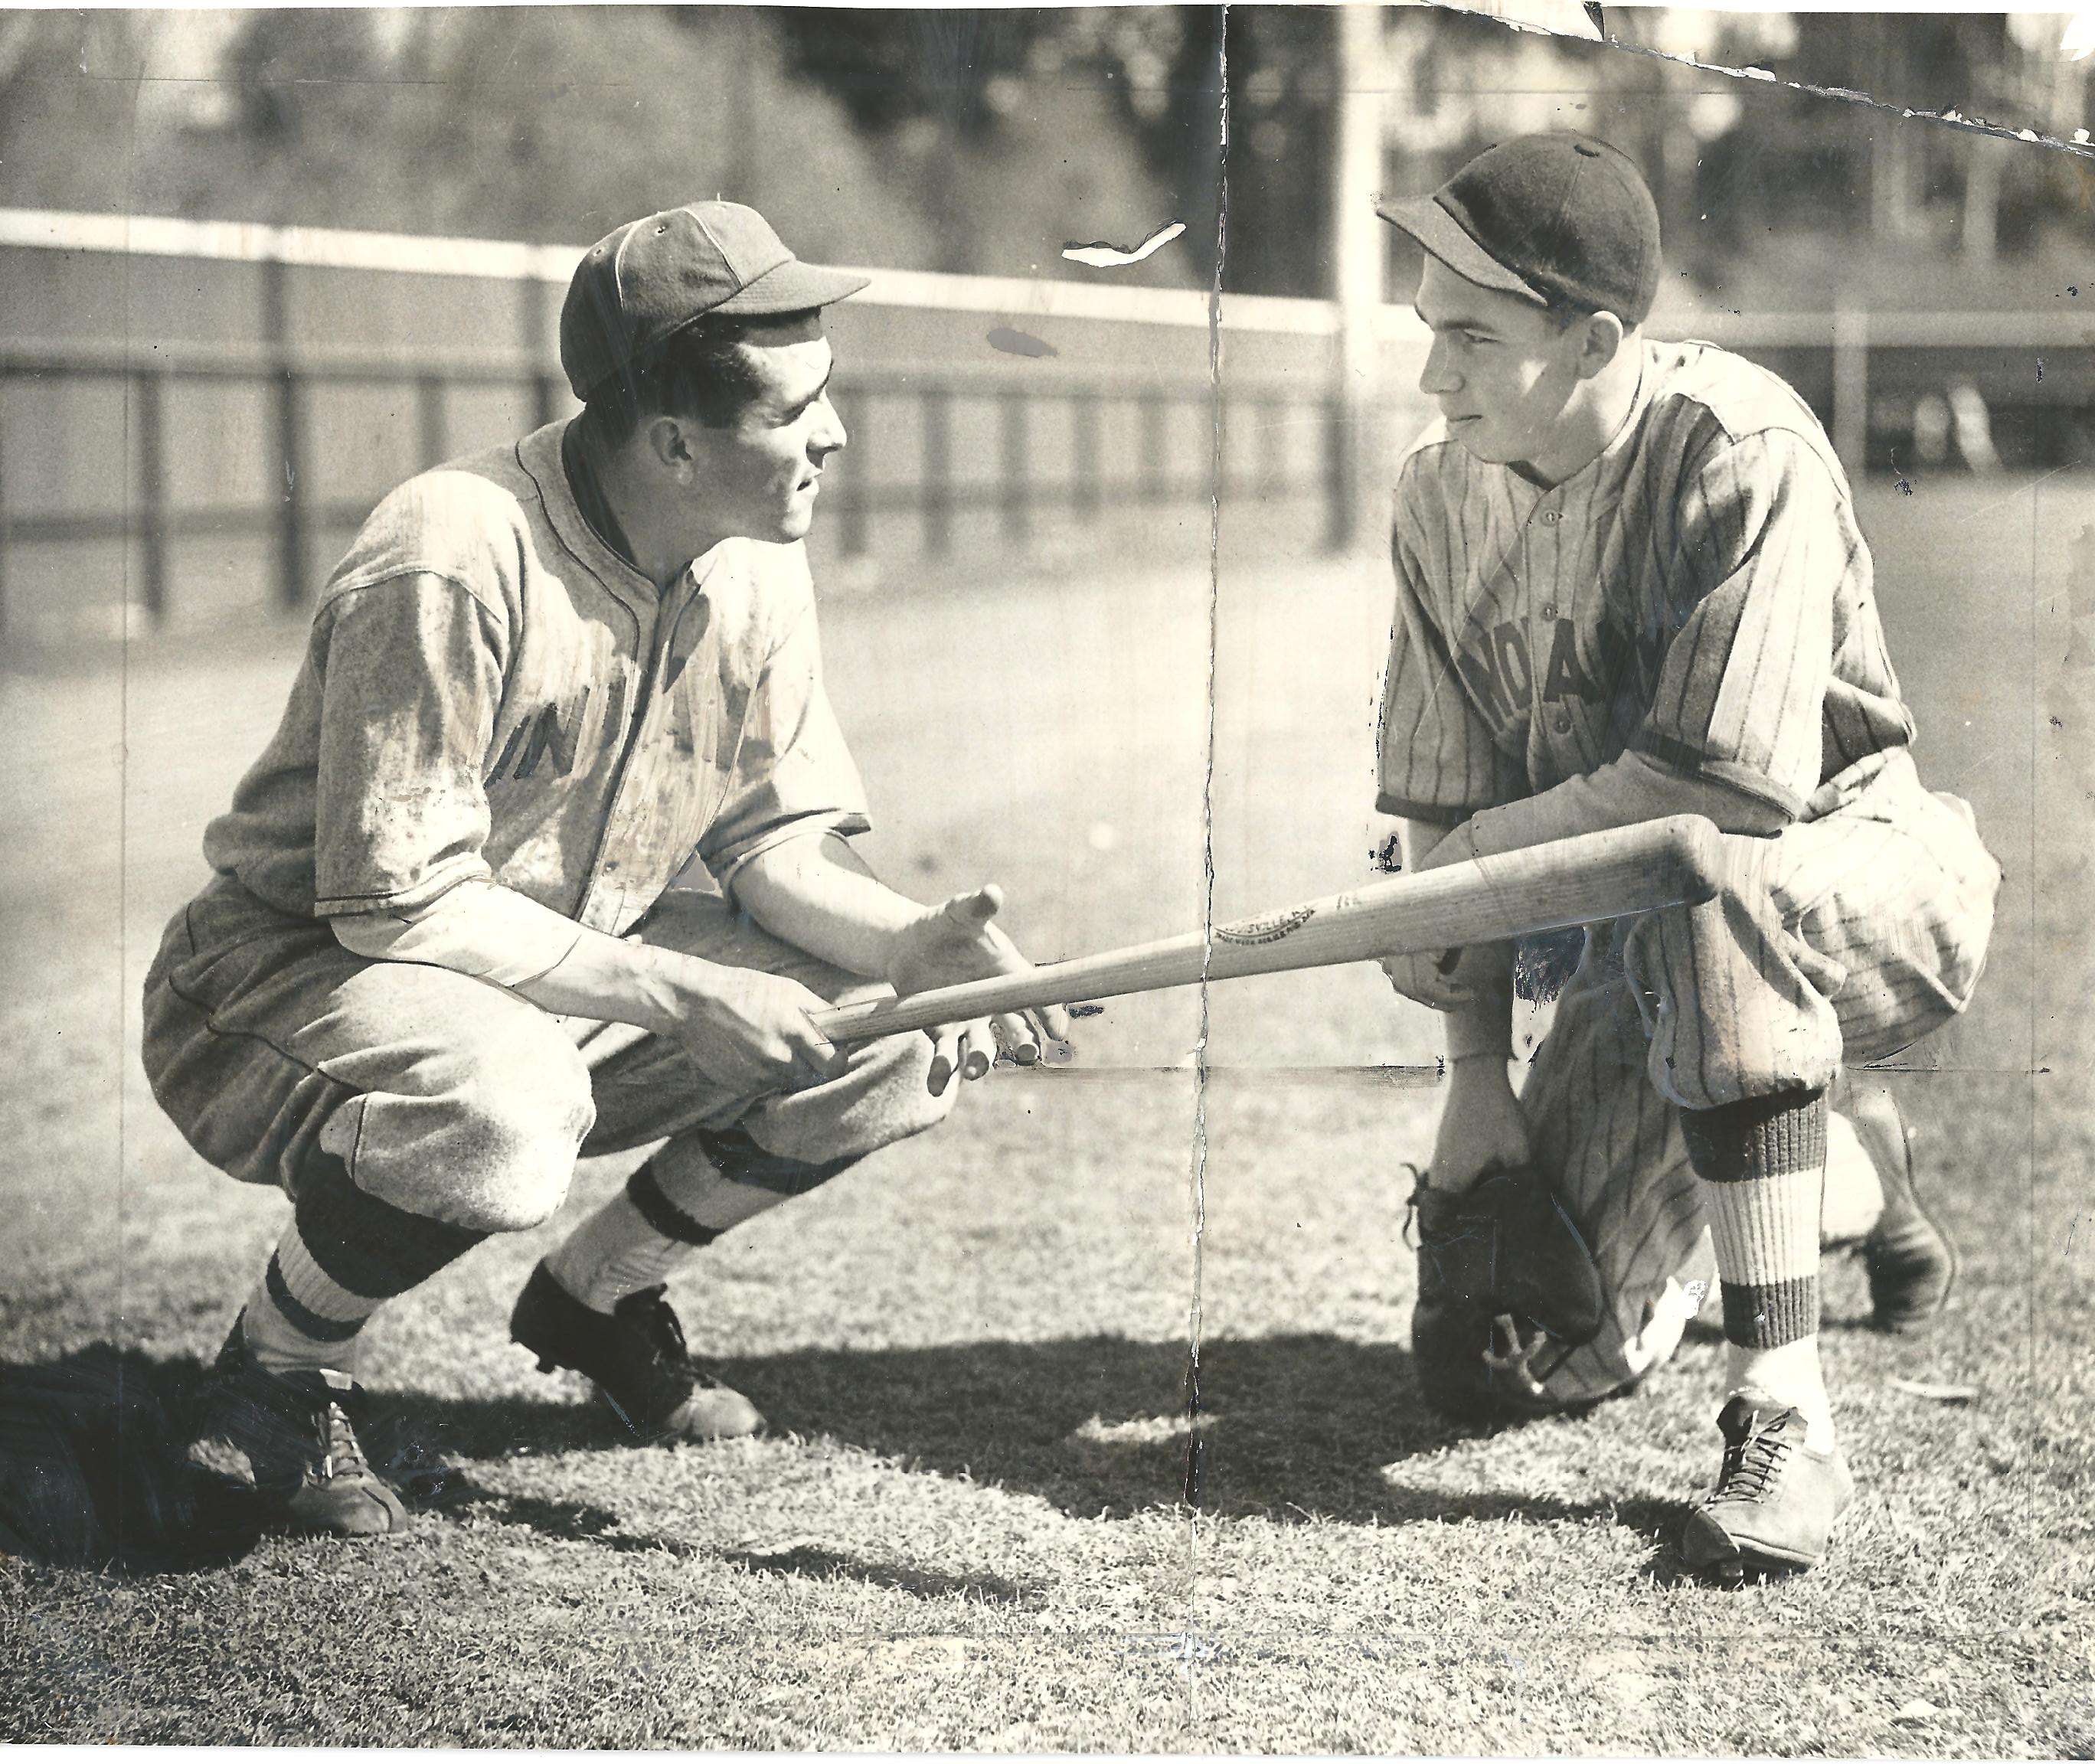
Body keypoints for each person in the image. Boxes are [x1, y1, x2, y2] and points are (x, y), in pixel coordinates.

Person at [142, 201, 1067, 1541]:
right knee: (510, 1105)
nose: (837, 434)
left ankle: (596, 1298)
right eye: (798, 408)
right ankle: (272, 1375)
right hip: (290, 981)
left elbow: (771, 845)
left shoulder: (754, 562)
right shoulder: (453, 550)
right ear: (678, 441)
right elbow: (400, 901)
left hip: (550, 975)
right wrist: (684, 995)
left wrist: (909, 948)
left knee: (896, 1037)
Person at [1370, 136, 2000, 1581]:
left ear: (1596, 338)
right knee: (1514, 1360)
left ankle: (1786, 1416)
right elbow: (1441, 793)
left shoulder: (1739, 447)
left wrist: (1458, 876)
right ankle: (1843, 1172)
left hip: (1860, 872)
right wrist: (1474, 1077)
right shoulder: (1438, 496)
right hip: (1642, 925)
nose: (1433, 377)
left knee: (1692, 865)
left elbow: (1713, 792)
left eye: (1473, 338)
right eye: (1429, 334)